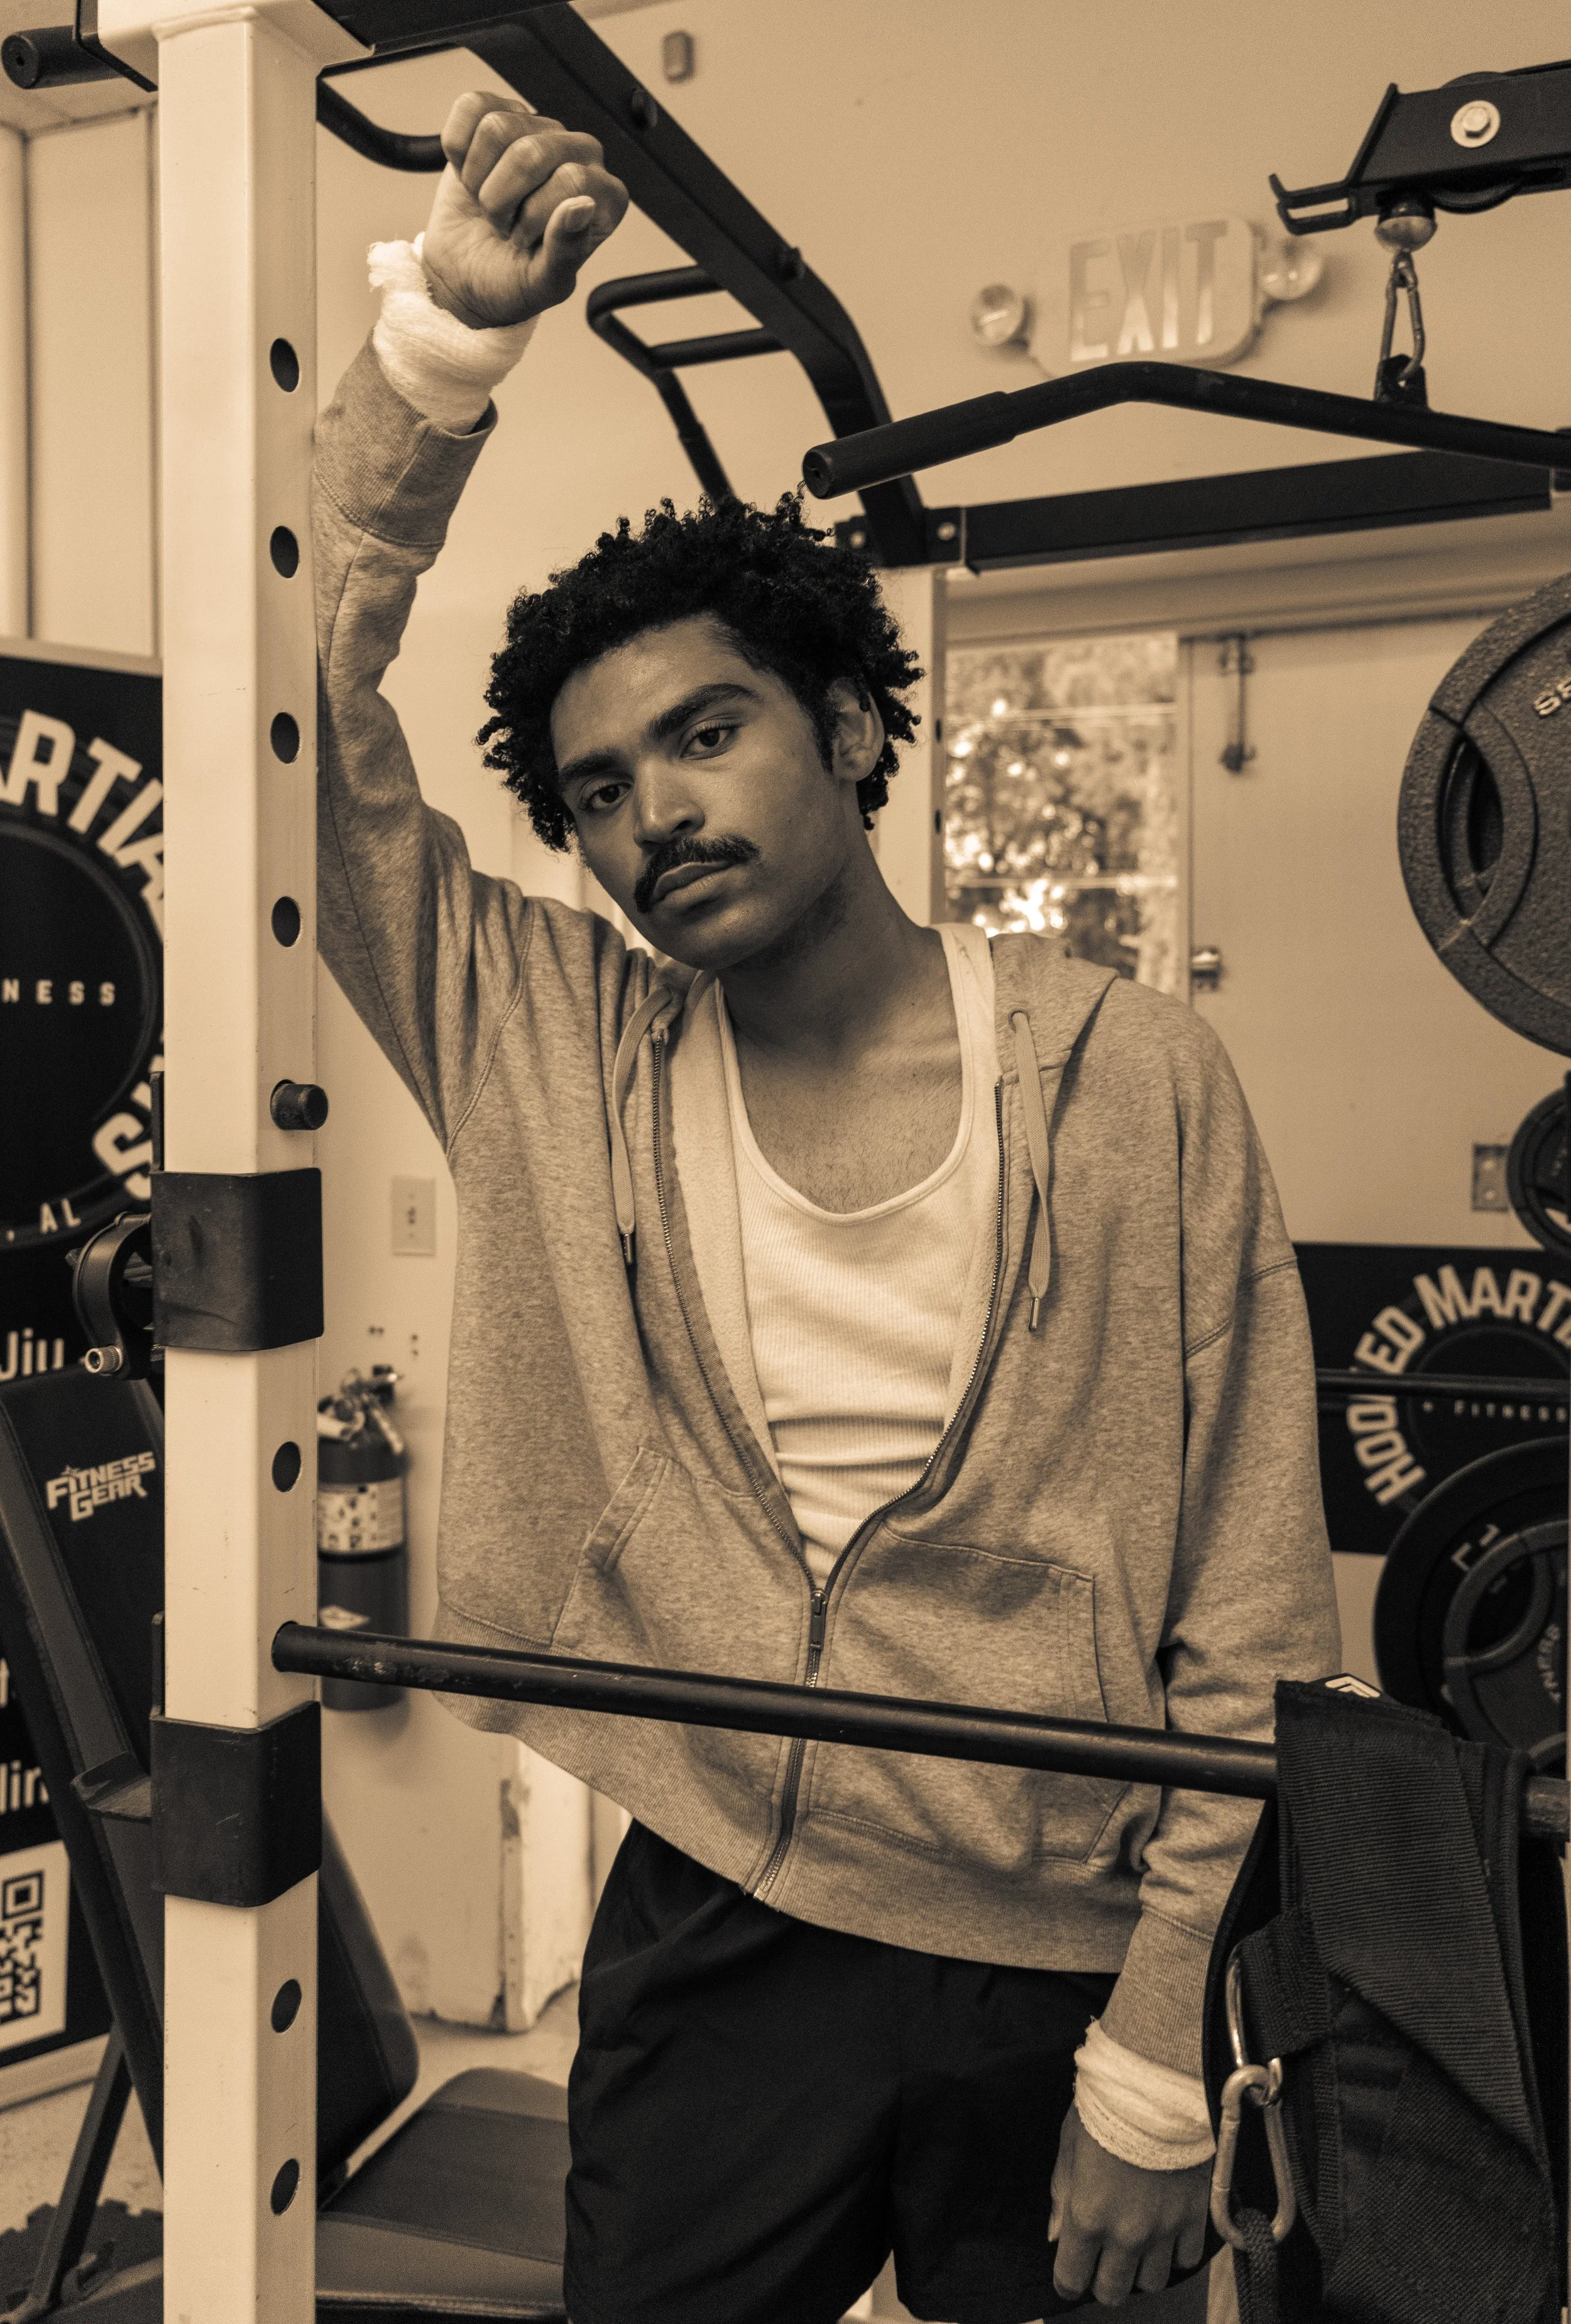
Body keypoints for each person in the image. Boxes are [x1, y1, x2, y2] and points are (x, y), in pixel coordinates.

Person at [314, 89, 1339, 2324]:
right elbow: (293, 733)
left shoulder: (1126, 1075)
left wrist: (1160, 2057)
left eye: (703, 736)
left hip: (1049, 1941)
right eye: (595, 790)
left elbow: (1253, 1590)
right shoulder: (549, 1039)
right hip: (713, 1911)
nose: (649, 816)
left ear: (852, 731)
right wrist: (433, 367)